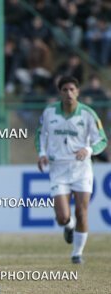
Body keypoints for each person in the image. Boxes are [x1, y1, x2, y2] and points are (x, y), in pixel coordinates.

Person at [36, 76, 108, 264]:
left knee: (82, 212)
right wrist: (42, 152)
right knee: (62, 217)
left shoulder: (88, 114)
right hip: (58, 168)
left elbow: (102, 140)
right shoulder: (50, 112)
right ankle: (68, 226)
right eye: (65, 90)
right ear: (60, 92)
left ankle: (77, 253)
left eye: (72, 89)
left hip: (81, 169)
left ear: (78, 92)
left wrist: (89, 150)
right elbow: (40, 134)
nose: (69, 93)